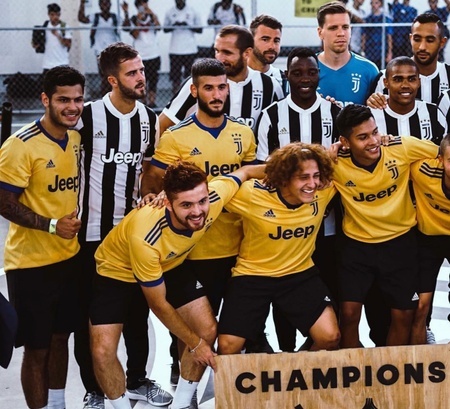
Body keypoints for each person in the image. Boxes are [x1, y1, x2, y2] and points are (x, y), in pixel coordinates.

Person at [89, 160, 265, 409]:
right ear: (168, 203)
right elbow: (158, 304)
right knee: (102, 352)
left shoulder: (215, 196)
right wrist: (196, 345)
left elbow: (245, 171)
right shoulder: (146, 234)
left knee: (207, 330)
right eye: (186, 205)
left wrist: (299, 170)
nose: (197, 211)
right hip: (117, 271)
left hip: (169, 263)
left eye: (202, 201)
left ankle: (182, 404)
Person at [141, 58, 257, 401]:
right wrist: (150, 196)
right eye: (208, 88)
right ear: (194, 91)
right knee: (195, 331)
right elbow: (153, 181)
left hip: (237, 250)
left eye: (222, 87)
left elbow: (252, 182)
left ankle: (229, 395)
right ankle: (185, 395)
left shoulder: (243, 133)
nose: (216, 94)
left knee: (232, 333)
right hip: (191, 254)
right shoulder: (176, 137)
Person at [73, 42, 171, 409]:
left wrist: (150, 195)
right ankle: (94, 390)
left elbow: (147, 172)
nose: (141, 77)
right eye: (132, 73)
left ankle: (138, 380)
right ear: (113, 80)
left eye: (142, 70)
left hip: (131, 235)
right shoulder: (87, 116)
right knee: (90, 317)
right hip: (90, 236)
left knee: (137, 313)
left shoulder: (148, 118)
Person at [0, 66, 85, 409]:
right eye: (63, 99)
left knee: (60, 338)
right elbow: (3, 202)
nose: (72, 107)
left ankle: (58, 404)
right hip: (30, 264)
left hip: (70, 258)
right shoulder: (20, 145)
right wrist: (52, 225)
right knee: (37, 348)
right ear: (45, 99)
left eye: (78, 99)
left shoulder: (76, 139)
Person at [255, 47, 341, 352]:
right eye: (297, 72)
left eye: (311, 72)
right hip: (284, 228)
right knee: (285, 297)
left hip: (328, 227)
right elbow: (262, 169)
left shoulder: (335, 113)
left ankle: (312, 357)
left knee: (328, 293)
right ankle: (287, 354)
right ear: (287, 75)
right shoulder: (271, 115)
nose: (305, 78)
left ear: (319, 75)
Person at [218, 142, 340, 355]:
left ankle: (296, 369)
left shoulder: (322, 190)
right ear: (284, 178)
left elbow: (356, 158)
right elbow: (209, 193)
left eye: (316, 176)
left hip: (299, 274)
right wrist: (247, 171)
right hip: (252, 275)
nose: (312, 184)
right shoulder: (252, 194)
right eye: (303, 177)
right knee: (228, 347)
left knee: (330, 337)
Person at [333, 104, 439, 348]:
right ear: (345, 141)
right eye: (362, 137)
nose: (373, 141)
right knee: (348, 315)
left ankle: (390, 368)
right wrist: (329, 151)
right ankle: (353, 367)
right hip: (356, 246)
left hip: (400, 243)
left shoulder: (402, 147)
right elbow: (297, 164)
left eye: (375, 132)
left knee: (403, 315)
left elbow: (441, 152)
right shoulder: (335, 162)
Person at [158, 25, 284, 135]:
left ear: (247, 53)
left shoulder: (270, 86)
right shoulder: (198, 82)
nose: (219, 58)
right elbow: (163, 125)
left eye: (227, 53)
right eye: (217, 51)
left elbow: (280, 130)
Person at [409, 133, 450, 344]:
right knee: (420, 306)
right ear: (440, 160)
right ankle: (421, 350)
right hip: (428, 239)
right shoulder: (424, 170)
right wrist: (386, 140)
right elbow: (396, 157)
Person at [368, 13, 450, 107]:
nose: (422, 47)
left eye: (430, 40)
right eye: (417, 39)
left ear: (442, 42)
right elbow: (373, 112)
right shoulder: (385, 77)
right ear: (411, 39)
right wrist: (373, 102)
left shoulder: (447, 74)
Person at [370, 56, 447, 145]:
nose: (405, 85)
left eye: (411, 79)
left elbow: (444, 150)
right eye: (398, 80)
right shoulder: (371, 116)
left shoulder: (434, 114)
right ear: (386, 82)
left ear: (419, 82)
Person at [316, 1, 379, 107]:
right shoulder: (307, 69)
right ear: (320, 32)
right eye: (333, 28)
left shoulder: (369, 70)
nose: (341, 33)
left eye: (345, 27)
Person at [78, 0, 129, 96]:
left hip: (114, 52)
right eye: (103, 3)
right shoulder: (95, 17)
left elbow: (127, 27)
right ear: (99, 5)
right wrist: (82, 4)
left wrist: (126, 12)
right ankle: (106, 97)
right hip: (100, 51)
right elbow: (82, 18)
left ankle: (113, 96)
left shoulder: (115, 17)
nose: (105, 5)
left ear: (110, 4)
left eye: (107, 3)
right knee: (104, 76)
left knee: (114, 75)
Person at [123, 0, 161, 108]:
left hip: (153, 53)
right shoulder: (134, 19)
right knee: (141, 79)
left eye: (145, 3)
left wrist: (151, 13)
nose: (143, 6)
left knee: (153, 79)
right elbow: (135, 35)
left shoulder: (152, 17)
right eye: (140, 4)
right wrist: (138, 21)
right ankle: (143, 102)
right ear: (137, 6)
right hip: (140, 55)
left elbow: (159, 27)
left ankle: (152, 102)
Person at [163, 0, 202, 96]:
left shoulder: (193, 11)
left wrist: (188, 25)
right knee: (175, 78)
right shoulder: (170, 11)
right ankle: (175, 99)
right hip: (175, 50)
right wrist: (174, 25)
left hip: (190, 49)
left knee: (190, 77)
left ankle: (190, 97)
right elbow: (165, 29)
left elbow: (200, 29)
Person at [248, 14, 289, 96]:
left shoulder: (283, 79)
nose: (272, 46)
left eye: (276, 41)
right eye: (265, 39)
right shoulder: (234, 76)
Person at [32, 3, 72, 73]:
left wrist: (58, 35)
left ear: (60, 14)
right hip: (48, 64)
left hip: (62, 63)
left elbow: (68, 44)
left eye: (57, 14)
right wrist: (35, 44)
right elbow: (37, 42)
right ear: (48, 14)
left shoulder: (64, 27)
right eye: (52, 15)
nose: (55, 17)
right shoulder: (45, 26)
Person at [361, 0, 393, 70]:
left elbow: (389, 36)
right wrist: (362, 51)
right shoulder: (367, 19)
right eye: (372, 3)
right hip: (370, 50)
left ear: (380, 4)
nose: (374, 5)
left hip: (382, 50)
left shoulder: (385, 19)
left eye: (376, 3)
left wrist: (389, 53)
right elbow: (364, 36)